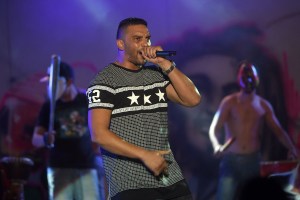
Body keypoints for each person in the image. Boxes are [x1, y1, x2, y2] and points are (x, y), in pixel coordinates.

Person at [86, 17, 201, 200]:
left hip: (169, 176)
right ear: (121, 44)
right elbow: (99, 134)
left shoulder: (156, 74)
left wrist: (165, 64)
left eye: (147, 38)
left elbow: (193, 99)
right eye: (137, 39)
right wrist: (145, 155)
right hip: (130, 182)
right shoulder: (104, 81)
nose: (145, 44)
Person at [209, 60, 299, 200]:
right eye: (245, 76)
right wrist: (216, 145)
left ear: (256, 78)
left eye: (251, 76)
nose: (248, 79)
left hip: (252, 161)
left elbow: (278, 131)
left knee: (253, 197)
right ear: (239, 79)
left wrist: (292, 147)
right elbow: (213, 128)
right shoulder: (229, 102)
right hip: (231, 161)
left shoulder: (263, 105)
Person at [32, 61, 102, 200]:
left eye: (55, 83)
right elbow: (35, 139)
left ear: (69, 82)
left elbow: (99, 130)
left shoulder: (87, 100)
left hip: (86, 167)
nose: (51, 87)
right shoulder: (49, 106)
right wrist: (45, 138)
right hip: (59, 169)